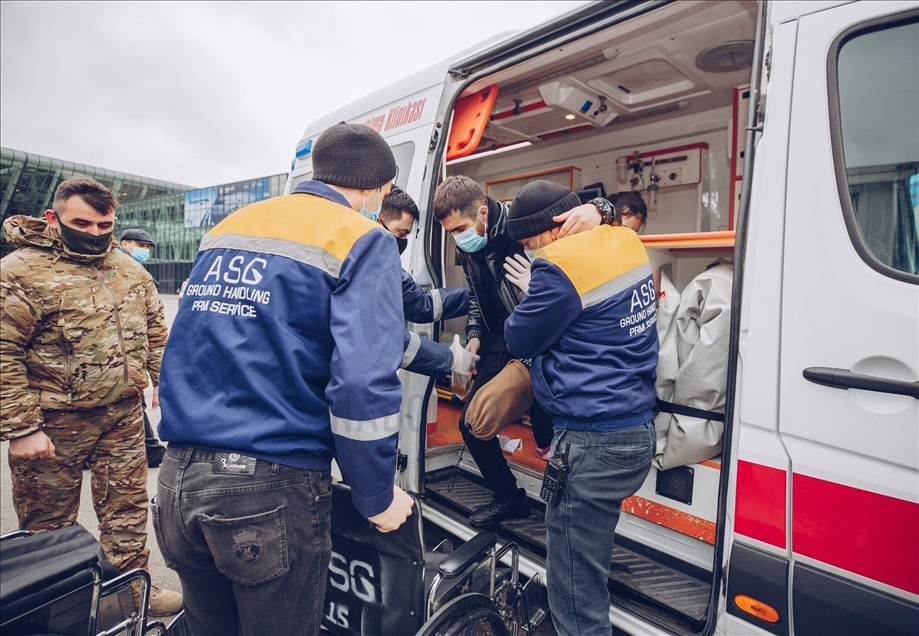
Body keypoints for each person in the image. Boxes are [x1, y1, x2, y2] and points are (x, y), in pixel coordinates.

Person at [154, 123, 415, 636]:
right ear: (378, 186)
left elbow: (195, 341)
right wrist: (376, 495)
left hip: (179, 479)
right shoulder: (364, 239)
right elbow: (361, 384)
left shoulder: (233, 225)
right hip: (267, 491)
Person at [0, 176, 183, 617]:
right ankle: (58, 608)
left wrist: (164, 380)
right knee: (48, 526)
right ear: (53, 217)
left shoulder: (128, 269)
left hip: (122, 416)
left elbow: (156, 331)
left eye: (105, 225)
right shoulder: (20, 272)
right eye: (82, 223)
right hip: (51, 422)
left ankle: (131, 592)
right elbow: (3, 351)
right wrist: (21, 428)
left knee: (128, 513)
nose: (95, 234)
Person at [503, 180, 659, 636]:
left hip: (592, 442)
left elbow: (518, 338)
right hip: (636, 428)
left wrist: (530, 291)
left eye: (529, 242)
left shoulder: (558, 266)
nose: (529, 250)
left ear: (552, 230)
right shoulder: (626, 241)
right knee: (589, 558)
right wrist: (602, 208)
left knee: (575, 591)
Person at [432, 175, 611, 528]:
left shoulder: (523, 226)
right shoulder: (468, 245)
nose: (458, 237)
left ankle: (566, 509)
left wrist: (600, 208)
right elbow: (474, 296)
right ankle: (509, 497)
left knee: (553, 425)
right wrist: (473, 335)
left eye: (461, 228)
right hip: (500, 337)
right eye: (450, 232)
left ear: (483, 212)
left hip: (537, 335)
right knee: (472, 422)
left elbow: (584, 220)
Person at [118, 228, 168, 468]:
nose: (144, 251)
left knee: (135, 404)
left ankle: (151, 449)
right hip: (119, 363)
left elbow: (155, 330)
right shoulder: (121, 270)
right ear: (124, 243)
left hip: (126, 365)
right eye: (140, 245)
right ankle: (151, 449)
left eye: (147, 247)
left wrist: (158, 378)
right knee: (134, 405)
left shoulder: (137, 272)